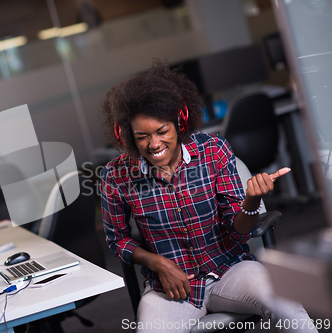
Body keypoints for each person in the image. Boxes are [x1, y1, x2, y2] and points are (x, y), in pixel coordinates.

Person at [99, 58, 317, 332]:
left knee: (289, 307)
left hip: (230, 269)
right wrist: (157, 263)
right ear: (127, 136)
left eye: (162, 131)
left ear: (180, 122)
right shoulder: (116, 175)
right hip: (172, 287)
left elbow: (238, 234)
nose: (154, 144)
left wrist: (250, 201)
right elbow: (116, 238)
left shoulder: (213, 151)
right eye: (142, 136)